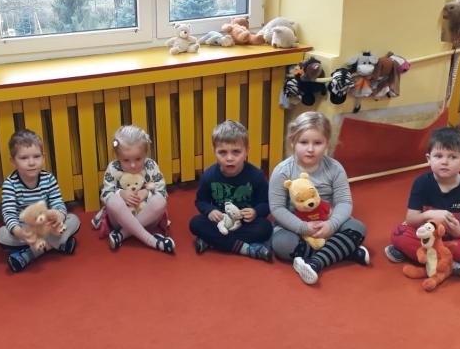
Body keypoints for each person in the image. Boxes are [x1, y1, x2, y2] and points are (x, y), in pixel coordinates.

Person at [269, 112, 370, 284]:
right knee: (282, 245)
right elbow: (277, 208)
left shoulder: (335, 168)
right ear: (293, 142)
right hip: (295, 227)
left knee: (358, 227)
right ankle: (343, 251)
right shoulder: (282, 171)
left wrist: (331, 225)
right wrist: (303, 227)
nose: (310, 149)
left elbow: (344, 202)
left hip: (328, 222)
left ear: (327, 144)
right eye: (303, 142)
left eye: (317, 143)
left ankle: (315, 262)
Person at [384, 126, 460, 283]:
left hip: (453, 241)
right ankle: (454, 265)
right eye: (438, 156)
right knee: (398, 233)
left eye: (452, 157)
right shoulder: (421, 183)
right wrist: (429, 214)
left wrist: (459, 231)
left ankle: (422, 257)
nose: (444, 162)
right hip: (426, 238)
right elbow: (411, 219)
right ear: (429, 159)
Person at [0, 129, 80, 272]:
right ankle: (59, 244)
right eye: (24, 158)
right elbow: (9, 213)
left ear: (43, 157)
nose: (31, 163)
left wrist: (58, 217)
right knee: (1, 235)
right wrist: (20, 232)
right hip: (27, 231)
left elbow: (58, 203)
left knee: (74, 220)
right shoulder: (10, 184)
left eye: (36, 156)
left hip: (47, 227)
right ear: (13, 161)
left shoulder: (49, 178)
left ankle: (30, 254)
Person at [189, 120, 272, 261]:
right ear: (214, 152)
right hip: (221, 222)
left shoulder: (256, 176)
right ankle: (246, 248)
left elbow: (266, 204)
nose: (229, 158)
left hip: (245, 223)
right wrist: (210, 211)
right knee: (195, 223)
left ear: (246, 151)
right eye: (222, 152)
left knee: (265, 228)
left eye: (236, 152)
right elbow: (201, 201)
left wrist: (255, 212)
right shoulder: (209, 175)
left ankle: (212, 241)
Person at [92, 125, 175, 253]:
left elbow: (162, 191)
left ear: (145, 153)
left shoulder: (151, 165)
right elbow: (105, 194)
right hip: (119, 221)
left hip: (149, 219)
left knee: (160, 201)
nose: (133, 165)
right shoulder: (113, 167)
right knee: (113, 201)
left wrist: (146, 192)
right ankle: (153, 241)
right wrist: (120, 193)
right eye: (126, 160)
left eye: (138, 159)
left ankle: (122, 234)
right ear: (117, 155)